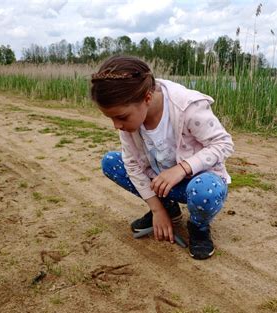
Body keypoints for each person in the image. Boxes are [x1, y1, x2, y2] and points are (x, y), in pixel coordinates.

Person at [91, 55, 234, 260]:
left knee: (206, 191)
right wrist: (157, 211)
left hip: (196, 183)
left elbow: (223, 144)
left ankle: (198, 226)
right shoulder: (130, 121)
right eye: (111, 118)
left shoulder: (187, 106)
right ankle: (169, 209)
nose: (116, 125)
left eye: (121, 117)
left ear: (147, 98)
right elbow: (131, 164)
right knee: (111, 162)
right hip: (160, 183)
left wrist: (183, 168)